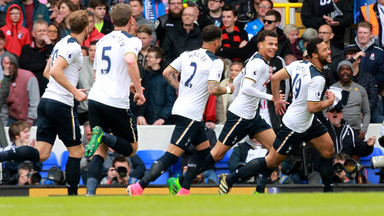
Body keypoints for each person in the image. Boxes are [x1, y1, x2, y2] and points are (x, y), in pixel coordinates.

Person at [218, 37, 337, 194]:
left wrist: (276, 100)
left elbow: (275, 78)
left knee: (328, 150)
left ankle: (329, 192)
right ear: (315, 55)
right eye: (324, 50)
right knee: (271, 161)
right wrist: (330, 101)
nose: (329, 51)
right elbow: (312, 107)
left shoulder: (298, 64)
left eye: (328, 48)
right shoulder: (318, 78)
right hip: (294, 126)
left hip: (307, 122)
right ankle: (230, 179)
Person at [173, 30, 283, 195]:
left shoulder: (257, 58)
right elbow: (247, 87)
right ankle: (182, 181)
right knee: (216, 155)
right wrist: (272, 97)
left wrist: (232, 90)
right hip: (239, 117)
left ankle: (256, 189)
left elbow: (240, 80)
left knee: (276, 152)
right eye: (270, 44)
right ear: (260, 44)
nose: (274, 47)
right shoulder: (258, 63)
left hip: (252, 116)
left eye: (275, 44)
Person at [126, 25, 232, 196]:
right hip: (190, 113)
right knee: (172, 154)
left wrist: (179, 88)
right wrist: (228, 89)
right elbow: (213, 88)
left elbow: (167, 72)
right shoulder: (216, 62)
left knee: (205, 153)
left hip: (189, 112)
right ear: (218, 41)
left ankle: (184, 188)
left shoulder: (187, 54)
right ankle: (139, 186)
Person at [0, 10, 89, 195]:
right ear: (87, 27)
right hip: (61, 104)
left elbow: (48, 73)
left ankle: (2, 155)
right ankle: (73, 197)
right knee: (77, 152)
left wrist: (69, 86)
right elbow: (55, 72)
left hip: (47, 101)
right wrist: (74, 92)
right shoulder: (73, 47)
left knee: (42, 153)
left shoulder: (61, 43)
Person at [84, 4, 145, 196]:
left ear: (110, 18)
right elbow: (129, 60)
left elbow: (98, 74)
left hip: (96, 97)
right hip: (115, 101)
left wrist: (126, 83)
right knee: (131, 149)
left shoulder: (101, 41)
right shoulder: (132, 40)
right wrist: (139, 89)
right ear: (131, 20)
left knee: (99, 151)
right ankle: (103, 135)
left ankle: (90, 194)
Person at [136, 46, 176, 125]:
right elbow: (143, 97)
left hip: (163, 121)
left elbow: (171, 101)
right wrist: (140, 114)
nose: (147, 59)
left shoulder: (166, 78)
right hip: (147, 120)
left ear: (158, 60)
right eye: (147, 56)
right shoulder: (145, 76)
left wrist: (162, 118)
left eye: (150, 57)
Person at [331, 60, 370, 140]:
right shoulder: (332, 89)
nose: (345, 72)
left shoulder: (360, 89)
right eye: (342, 69)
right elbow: (325, 112)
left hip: (356, 131)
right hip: (337, 131)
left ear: (352, 72)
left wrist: (364, 130)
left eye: (348, 69)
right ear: (338, 73)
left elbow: (367, 112)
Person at [3, 51, 40, 126]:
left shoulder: (29, 77)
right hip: (14, 119)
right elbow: (4, 109)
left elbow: (35, 103)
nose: (9, 67)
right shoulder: (4, 83)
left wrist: (30, 121)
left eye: (11, 64)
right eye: (5, 65)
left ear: (16, 65)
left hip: (34, 118)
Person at [344, 21, 384, 89]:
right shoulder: (348, 49)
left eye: (365, 33)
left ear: (371, 34)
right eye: (360, 32)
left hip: (371, 89)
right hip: (350, 88)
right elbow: (342, 67)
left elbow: (381, 73)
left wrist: (371, 85)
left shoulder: (379, 51)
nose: (362, 35)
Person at [19, 19, 53, 97]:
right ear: (33, 33)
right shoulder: (26, 49)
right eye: (39, 31)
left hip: (47, 89)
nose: (42, 33)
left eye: (44, 31)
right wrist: (45, 63)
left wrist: (49, 44)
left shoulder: (50, 48)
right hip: (29, 87)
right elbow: (26, 68)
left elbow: (53, 64)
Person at [344, 46, 378, 115]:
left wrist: (364, 112)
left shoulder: (368, 77)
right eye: (347, 58)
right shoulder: (342, 77)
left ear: (359, 60)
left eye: (353, 57)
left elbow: (373, 98)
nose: (351, 60)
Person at [77, 40, 96, 125]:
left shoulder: (104, 64)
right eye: (91, 50)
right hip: (82, 108)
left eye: (96, 50)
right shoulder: (82, 62)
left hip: (97, 108)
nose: (93, 53)